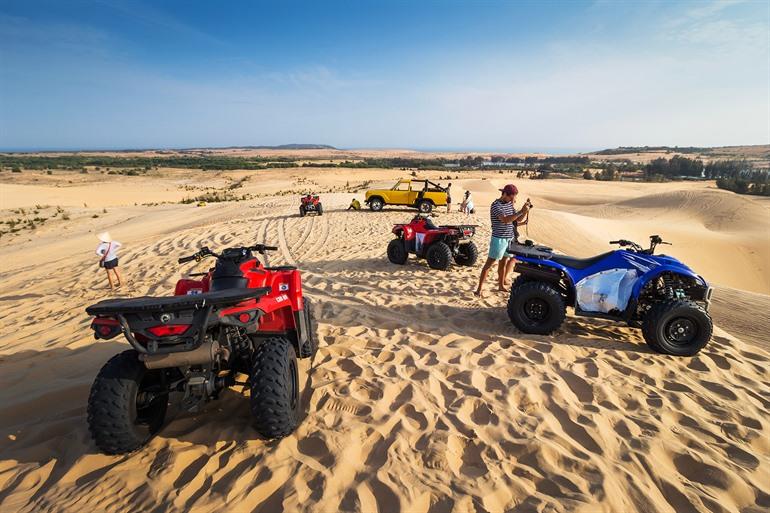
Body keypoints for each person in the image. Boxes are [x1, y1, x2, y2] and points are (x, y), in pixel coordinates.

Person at [474, 184, 530, 297]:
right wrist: (520, 212)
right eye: (511, 197)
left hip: (509, 238)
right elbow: (505, 220)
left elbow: (516, 219)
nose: (512, 200)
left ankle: (500, 285)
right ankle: (479, 289)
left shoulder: (509, 204)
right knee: (489, 264)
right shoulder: (496, 205)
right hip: (498, 239)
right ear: (504, 194)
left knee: (503, 263)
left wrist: (524, 211)